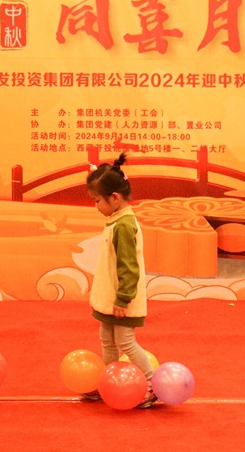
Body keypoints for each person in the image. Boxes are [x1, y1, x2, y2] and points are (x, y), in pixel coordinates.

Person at [84, 152, 156, 408]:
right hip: (110, 297)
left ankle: (152, 385)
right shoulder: (116, 220)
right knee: (107, 338)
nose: (96, 207)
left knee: (125, 341)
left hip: (121, 299)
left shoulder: (124, 225)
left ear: (114, 198)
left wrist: (123, 299)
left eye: (97, 201)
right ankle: (111, 381)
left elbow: (129, 267)